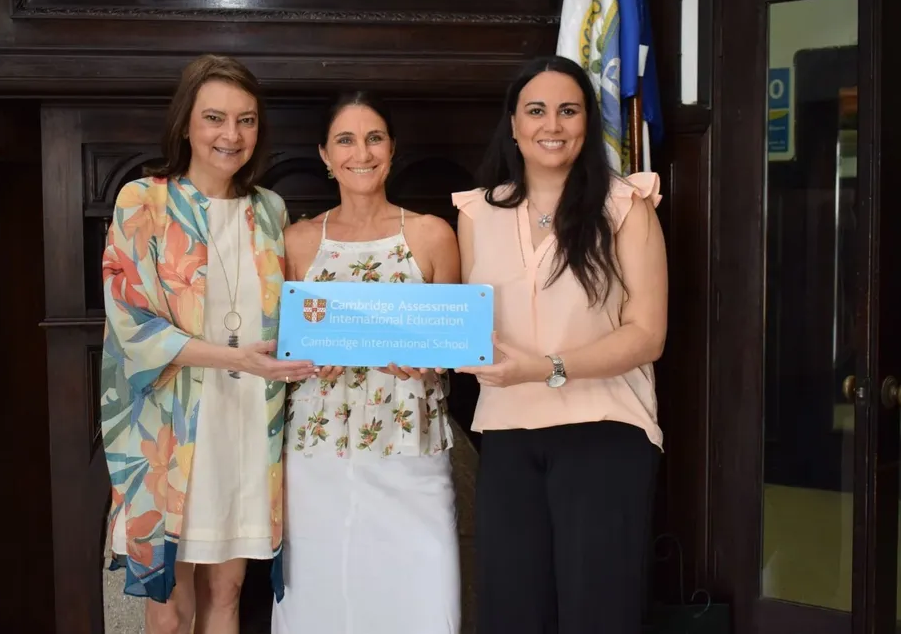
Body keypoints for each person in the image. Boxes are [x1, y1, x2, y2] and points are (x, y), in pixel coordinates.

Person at [101, 54, 316, 634]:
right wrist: (236, 358)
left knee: (228, 591)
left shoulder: (269, 210)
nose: (231, 134)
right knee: (169, 604)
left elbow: (292, 311)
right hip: (172, 428)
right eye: (215, 118)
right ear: (187, 125)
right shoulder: (142, 200)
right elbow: (133, 323)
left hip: (248, 422)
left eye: (246, 120)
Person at [452, 56, 668, 634]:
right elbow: (466, 327)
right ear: (515, 125)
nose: (553, 123)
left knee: (597, 612)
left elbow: (648, 336)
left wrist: (547, 367)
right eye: (537, 110)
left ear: (587, 123)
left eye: (569, 110)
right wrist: (419, 357)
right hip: (506, 435)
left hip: (605, 429)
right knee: (511, 610)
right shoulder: (476, 211)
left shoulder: (627, 205)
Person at [271, 92, 462, 634]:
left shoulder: (432, 234)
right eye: (346, 140)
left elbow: (454, 342)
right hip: (317, 451)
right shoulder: (297, 242)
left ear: (393, 149)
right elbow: (283, 345)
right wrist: (305, 360)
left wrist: (430, 362)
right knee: (321, 602)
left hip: (412, 450)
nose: (362, 152)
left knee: (422, 600)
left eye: (374, 137)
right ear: (325, 155)